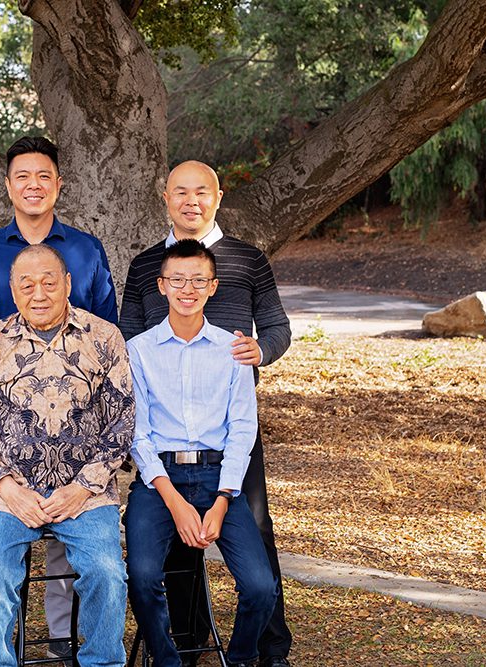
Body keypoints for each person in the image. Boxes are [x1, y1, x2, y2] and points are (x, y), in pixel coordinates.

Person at [118, 160, 293, 667]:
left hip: (229, 424)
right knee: (175, 550)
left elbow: (278, 327)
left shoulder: (247, 259)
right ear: (166, 197)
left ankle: (269, 647)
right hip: (164, 417)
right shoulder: (149, 264)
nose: (191, 201)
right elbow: (128, 328)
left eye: (202, 192)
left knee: (254, 529)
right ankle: (188, 642)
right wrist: (151, 365)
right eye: (180, 192)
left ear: (217, 197)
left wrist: (260, 352)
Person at [0, 135, 118, 659]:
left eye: (43, 176)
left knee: (101, 569)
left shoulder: (88, 257)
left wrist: (81, 486)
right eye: (25, 284)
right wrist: (5, 484)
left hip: (82, 481)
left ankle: (87, 652)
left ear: (68, 281)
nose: (39, 292)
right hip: (10, 476)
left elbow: (118, 410)